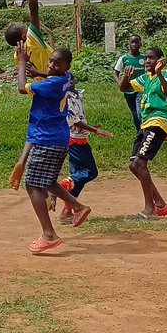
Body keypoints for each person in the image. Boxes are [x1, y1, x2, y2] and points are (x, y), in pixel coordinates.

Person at [17, 45, 91, 252]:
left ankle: (49, 235)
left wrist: (23, 62)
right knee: (47, 181)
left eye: (57, 63)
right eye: (51, 60)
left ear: (67, 65)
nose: (51, 64)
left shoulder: (51, 85)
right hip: (59, 138)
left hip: (45, 140)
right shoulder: (67, 77)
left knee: (33, 185)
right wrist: (41, 72)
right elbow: (57, 76)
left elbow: (22, 88)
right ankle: (78, 207)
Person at [6, 0, 56, 190]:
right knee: (60, 140)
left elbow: (23, 80)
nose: (31, 25)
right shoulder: (33, 42)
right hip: (55, 90)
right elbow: (34, 10)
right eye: (27, 27)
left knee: (34, 131)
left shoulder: (19, 55)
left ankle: (22, 161)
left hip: (39, 93)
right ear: (25, 36)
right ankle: (52, 187)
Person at [119, 46, 167, 219]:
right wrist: (126, 77)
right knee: (133, 165)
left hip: (159, 121)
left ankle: (150, 209)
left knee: (140, 163)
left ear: (160, 60)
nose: (147, 61)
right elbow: (124, 88)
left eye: (151, 58)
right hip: (146, 124)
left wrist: (159, 73)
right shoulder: (144, 79)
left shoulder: (166, 75)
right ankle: (160, 204)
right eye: (147, 58)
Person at [54, 74, 113, 222]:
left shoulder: (77, 94)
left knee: (78, 177)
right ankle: (58, 187)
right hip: (74, 139)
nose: (71, 82)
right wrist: (95, 130)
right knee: (90, 172)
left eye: (72, 79)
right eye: (68, 81)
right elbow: (75, 121)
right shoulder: (66, 98)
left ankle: (67, 211)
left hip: (79, 138)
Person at [112, 35, 146, 129]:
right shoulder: (124, 58)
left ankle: (145, 134)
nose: (134, 44)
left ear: (140, 44)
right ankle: (139, 133)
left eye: (137, 42)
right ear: (129, 44)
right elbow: (115, 73)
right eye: (132, 42)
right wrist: (120, 84)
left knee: (140, 113)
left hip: (140, 90)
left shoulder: (144, 57)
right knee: (135, 114)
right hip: (128, 90)